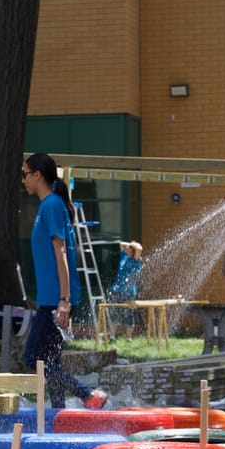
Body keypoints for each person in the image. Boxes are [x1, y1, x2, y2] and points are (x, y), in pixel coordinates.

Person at [22, 152, 107, 409]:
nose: (23, 180)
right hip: (52, 297)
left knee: (33, 357)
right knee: (51, 360)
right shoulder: (49, 205)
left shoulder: (51, 205)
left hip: (56, 299)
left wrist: (64, 300)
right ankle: (59, 412)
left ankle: (88, 395)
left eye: (25, 174)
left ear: (38, 175)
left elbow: (62, 255)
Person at [106, 240, 143, 341]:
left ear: (132, 251)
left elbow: (139, 248)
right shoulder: (124, 256)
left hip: (129, 292)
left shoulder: (136, 260)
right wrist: (130, 245)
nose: (126, 248)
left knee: (129, 315)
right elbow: (121, 244)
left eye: (129, 248)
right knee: (114, 314)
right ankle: (112, 337)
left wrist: (133, 245)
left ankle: (129, 338)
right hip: (116, 290)